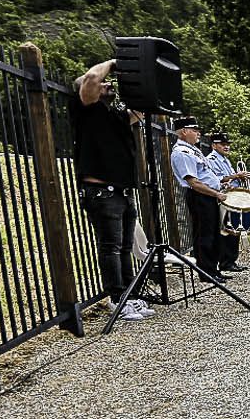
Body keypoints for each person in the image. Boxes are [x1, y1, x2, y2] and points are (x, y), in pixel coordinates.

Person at [70, 60, 153, 321]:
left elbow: (139, 111)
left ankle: (131, 296)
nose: (108, 84)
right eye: (104, 84)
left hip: (122, 192)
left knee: (125, 247)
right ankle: (117, 299)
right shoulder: (86, 108)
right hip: (101, 193)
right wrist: (115, 63)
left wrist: (136, 78)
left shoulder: (115, 114)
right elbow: (92, 79)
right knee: (111, 248)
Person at [169, 117, 229, 282]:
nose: (198, 134)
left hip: (208, 195)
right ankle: (206, 272)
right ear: (184, 131)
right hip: (200, 197)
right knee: (204, 235)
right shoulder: (182, 152)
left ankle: (213, 269)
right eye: (194, 130)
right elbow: (193, 182)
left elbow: (206, 175)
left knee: (213, 234)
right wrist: (216, 193)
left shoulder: (193, 149)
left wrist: (219, 187)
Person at [205, 132, 250, 272]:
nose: (226, 147)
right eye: (223, 145)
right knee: (227, 230)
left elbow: (230, 178)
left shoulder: (224, 159)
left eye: (227, 145)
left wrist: (239, 178)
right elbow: (217, 179)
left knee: (233, 229)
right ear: (214, 145)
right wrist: (237, 175)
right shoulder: (212, 159)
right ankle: (226, 261)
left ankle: (231, 260)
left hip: (232, 197)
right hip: (224, 198)